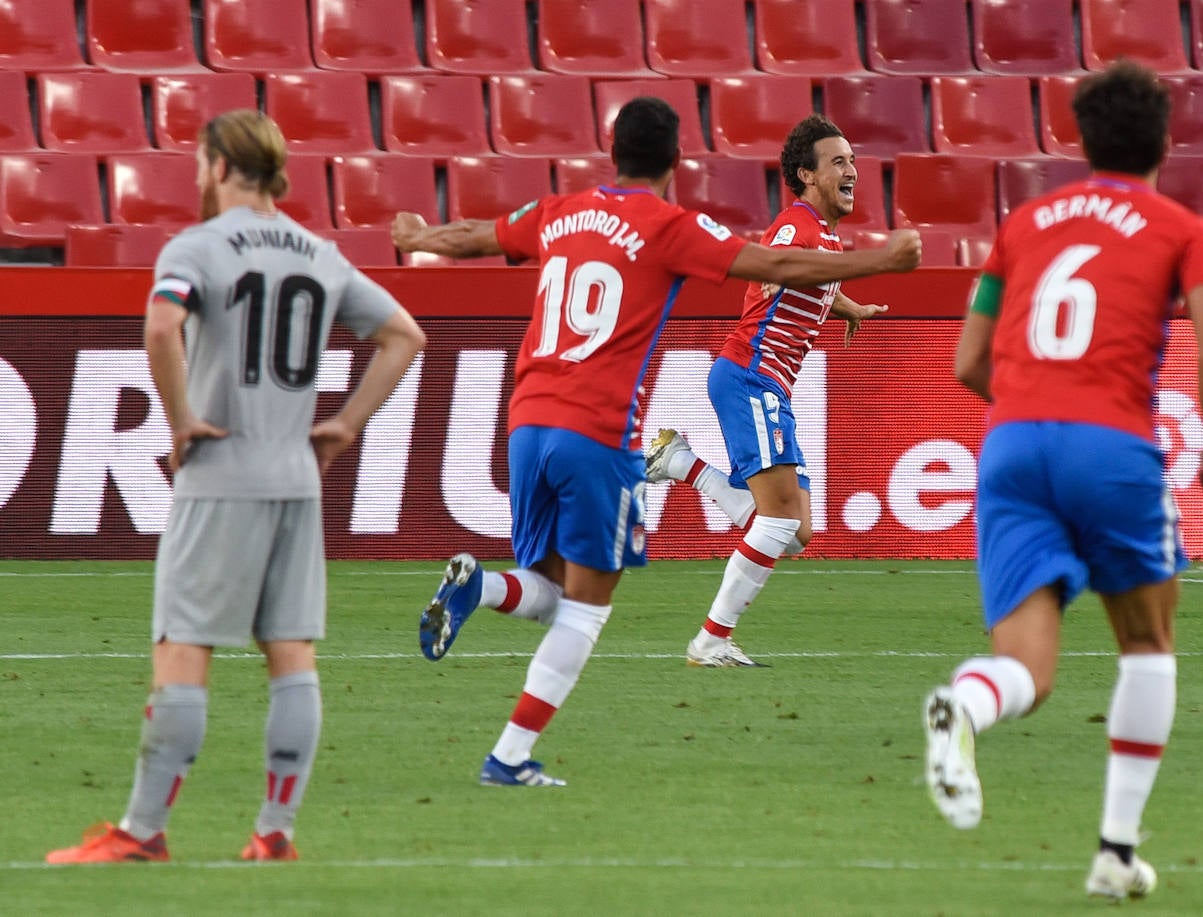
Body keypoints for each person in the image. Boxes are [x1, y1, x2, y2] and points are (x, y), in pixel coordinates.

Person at [391, 97, 921, 787]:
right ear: (677, 160)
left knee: (553, 590)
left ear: (612, 153)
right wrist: (885, 258)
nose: (851, 170)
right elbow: (777, 266)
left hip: (525, 423)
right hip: (598, 429)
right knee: (587, 606)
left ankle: (479, 588)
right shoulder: (670, 225)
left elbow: (473, 237)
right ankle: (511, 755)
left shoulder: (558, 210)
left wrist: (418, 232)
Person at [46, 110, 426, 864]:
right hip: (296, 477)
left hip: (221, 478)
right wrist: (344, 425)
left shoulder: (197, 247)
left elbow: (161, 329)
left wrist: (182, 419)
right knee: (291, 653)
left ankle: (143, 829)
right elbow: (405, 335)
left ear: (218, 165)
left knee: (183, 649)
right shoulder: (321, 253)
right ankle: (274, 833)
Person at [919, 60, 1203, 901]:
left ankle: (966, 706)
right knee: (1147, 643)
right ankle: (1116, 848)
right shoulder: (1183, 229)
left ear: (1080, 141)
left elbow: (968, 363)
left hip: (1012, 445)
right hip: (1112, 446)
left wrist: (1030, 407)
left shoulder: (1025, 223)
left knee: (1027, 664)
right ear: (1165, 142)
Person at [643, 114, 890, 667]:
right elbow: (776, 266)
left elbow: (811, 278)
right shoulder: (795, 227)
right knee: (776, 521)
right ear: (806, 175)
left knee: (795, 530)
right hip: (751, 376)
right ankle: (710, 641)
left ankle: (680, 462)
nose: (852, 170)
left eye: (853, 160)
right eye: (838, 162)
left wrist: (848, 307)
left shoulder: (823, 237)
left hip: (768, 386)